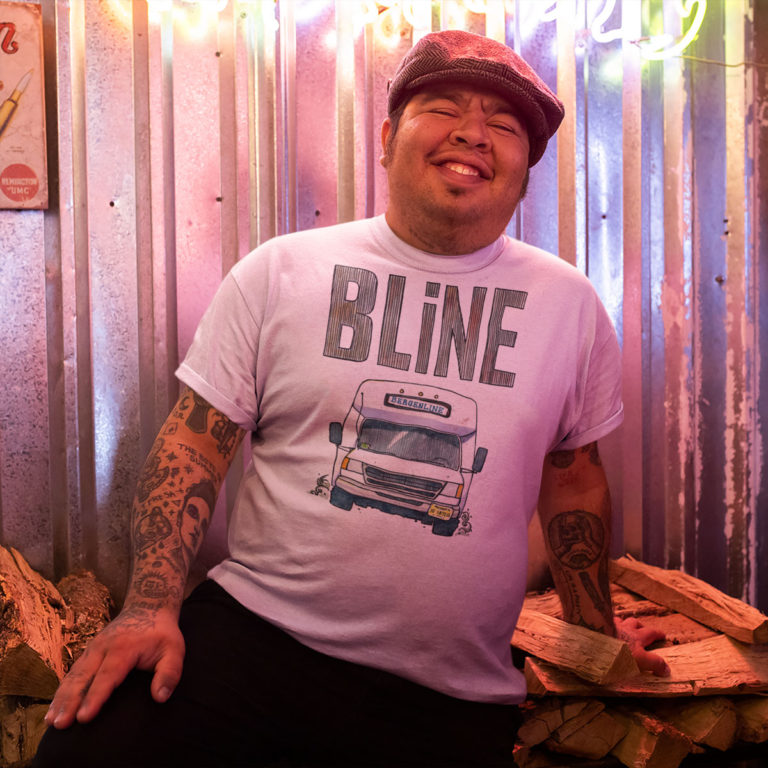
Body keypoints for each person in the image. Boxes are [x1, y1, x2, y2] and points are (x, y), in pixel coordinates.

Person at [34, 29, 668, 768]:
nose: (473, 132)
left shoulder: (572, 306)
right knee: (85, 746)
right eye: (443, 107)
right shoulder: (281, 272)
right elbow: (194, 443)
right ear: (387, 136)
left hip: (449, 697)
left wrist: (594, 633)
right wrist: (149, 606)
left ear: (526, 172)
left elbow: (573, 480)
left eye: (504, 124)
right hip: (256, 643)